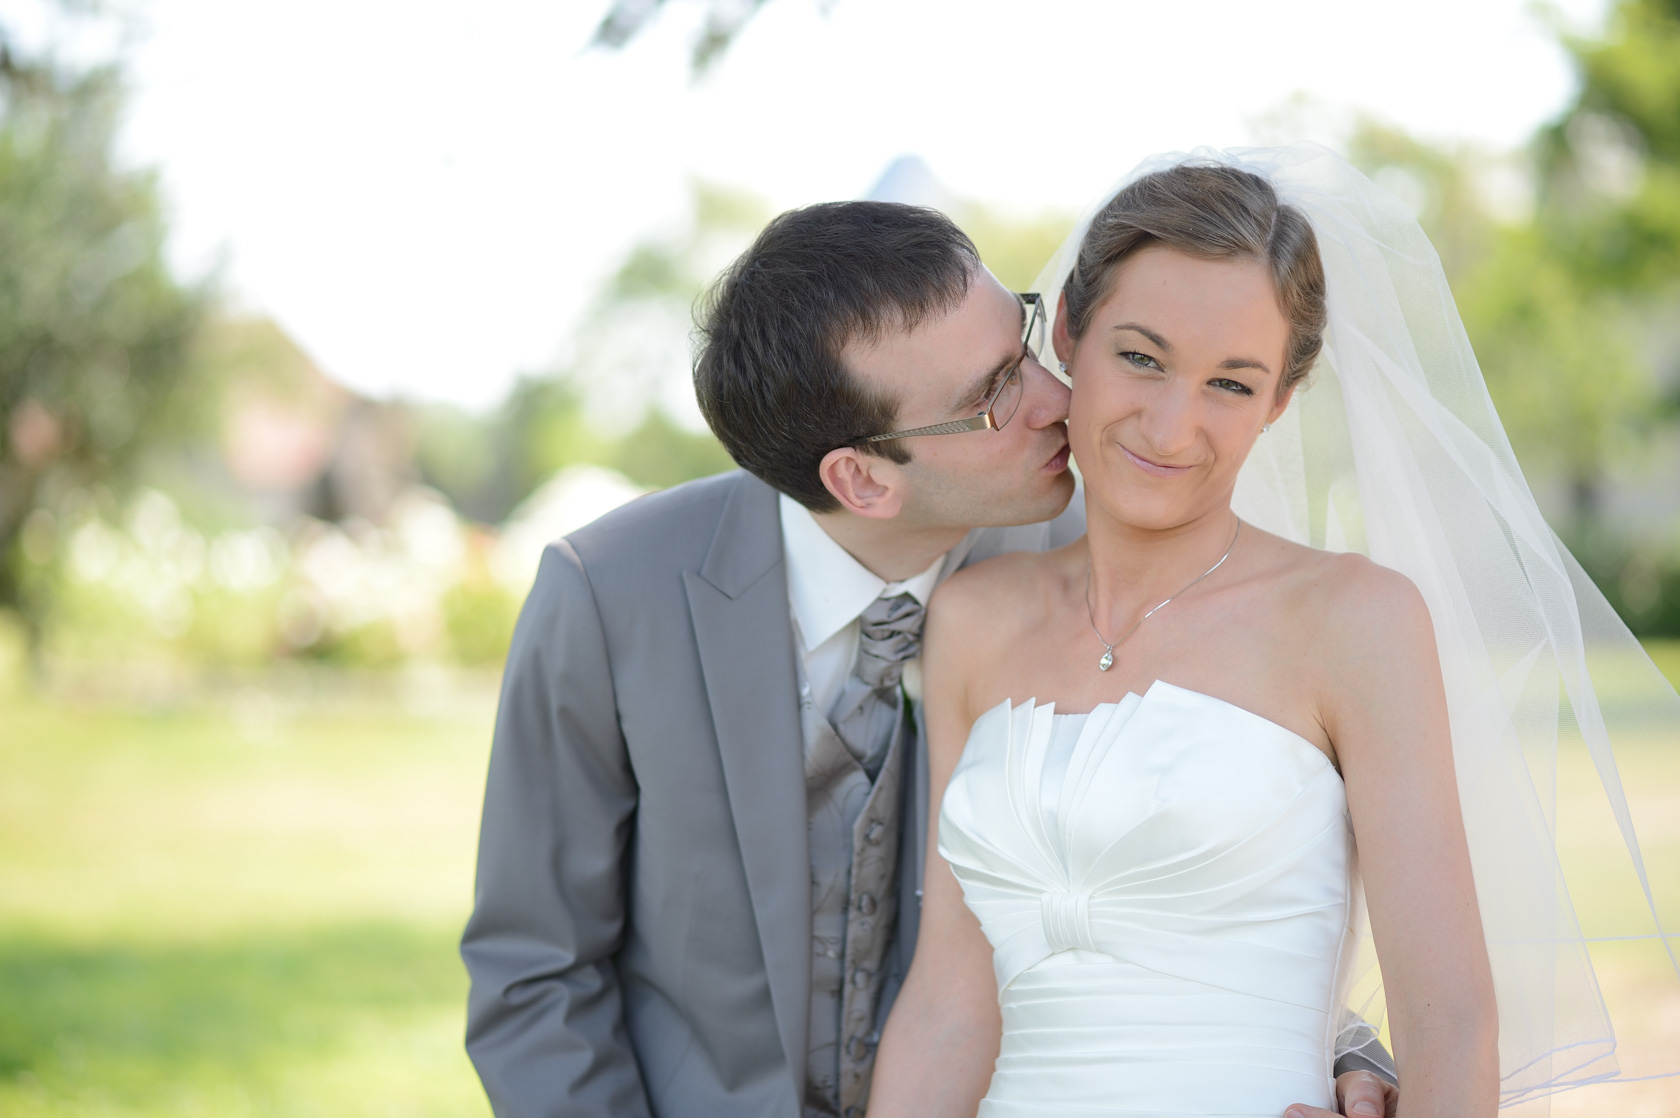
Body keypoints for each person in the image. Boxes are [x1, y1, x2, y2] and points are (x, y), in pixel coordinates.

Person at [459, 198, 1399, 1117]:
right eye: (992, 397)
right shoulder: (610, 595)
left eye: (1021, 347)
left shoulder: (1103, 569)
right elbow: (535, 972)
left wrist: (1341, 1051)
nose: (1055, 400)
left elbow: (1195, 871)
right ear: (862, 480)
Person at [869, 147, 1680, 1117]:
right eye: (1141, 357)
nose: (1172, 426)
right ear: (1071, 335)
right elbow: (948, 1006)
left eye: (1230, 383)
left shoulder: (1354, 620)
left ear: (1280, 401)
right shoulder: (973, 618)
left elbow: (1453, 1023)